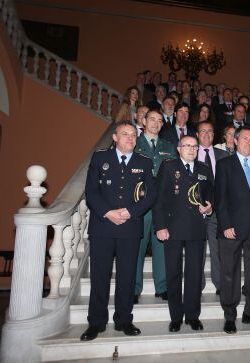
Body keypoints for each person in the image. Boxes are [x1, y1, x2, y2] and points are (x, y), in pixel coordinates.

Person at [81, 121, 157, 341]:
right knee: (99, 276)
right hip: (102, 226)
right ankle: (96, 322)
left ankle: (124, 320)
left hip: (130, 227)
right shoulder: (100, 158)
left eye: (134, 135)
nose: (130, 138)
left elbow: (151, 194)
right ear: (115, 137)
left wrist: (130, 212)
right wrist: (108, 212)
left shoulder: (144, 161)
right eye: (125, 134)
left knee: (127, 277)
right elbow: (91, 191)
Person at [153, 135, 213, 332]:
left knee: (195, 274)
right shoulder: (169, 166)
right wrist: (160, 226)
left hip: (196, 227)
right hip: (173, 227)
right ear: (178, 149)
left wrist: (210, 206)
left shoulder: (204, 168)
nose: (191, 149)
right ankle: (176, 317)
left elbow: (211, 193)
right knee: (173, 272)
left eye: (194, 146)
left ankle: (193, 316)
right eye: (187, 145)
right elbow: (159, 198)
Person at [215, 127, 250, 334]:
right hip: (231, 228)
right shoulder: (224, 164)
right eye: (245, 139)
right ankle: (230, 316)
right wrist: (226, 225)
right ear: (236, 141)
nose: (249, 142)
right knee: (229, 273)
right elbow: (220, 199)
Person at [133, 110, 177, 304]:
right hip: (138, 204)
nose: (156, 123)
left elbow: (175, 174)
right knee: (136, 247)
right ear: (143, 121)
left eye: (160, 120)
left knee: (162, 246)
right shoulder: (134, 143)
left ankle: (163, 286)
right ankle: (134, 287)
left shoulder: (169, 146)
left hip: (162, 204)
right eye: (152, 119)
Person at [196, 121, 229, 294]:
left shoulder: (223, 155)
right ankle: (197, 284)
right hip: (195, 211)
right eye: (203, 131)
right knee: (197, 251)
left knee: (218, 250)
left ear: (214, 135)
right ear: (197, 134)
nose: (206, 134)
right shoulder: (190, 153)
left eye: (210, 131)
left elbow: (228, 184)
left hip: (218, 211)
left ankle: (219, 284)